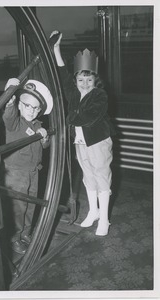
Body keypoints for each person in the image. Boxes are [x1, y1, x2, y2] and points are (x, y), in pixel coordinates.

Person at [50, 30, 115, 236]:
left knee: (102, 176)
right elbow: (62, 73)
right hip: (80, 142)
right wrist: (56, 49)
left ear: (95, 81)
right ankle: (93, 212)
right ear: (76, 81)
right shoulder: (73, 93)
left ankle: (104, 219)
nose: (85, 85)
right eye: (80, 81)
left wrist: (68, 118)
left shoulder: (100, 95)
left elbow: (89, 117)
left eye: (89, 81)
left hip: (98, 141)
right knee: (88, 176)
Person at [2, 78, 53, 254]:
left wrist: (45, 138)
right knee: (18, 207)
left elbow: (44, 147)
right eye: (27, 105)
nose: (31, 110)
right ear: (19, 105)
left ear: (40, 110)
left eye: (36, 107)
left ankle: (25, 233)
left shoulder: (38, 125)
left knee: (31, 204)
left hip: (33, 171)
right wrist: (9, 96)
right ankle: (14, 238)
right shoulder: (14, 122)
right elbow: (8, 114)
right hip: (16, 172)